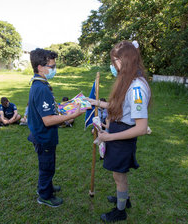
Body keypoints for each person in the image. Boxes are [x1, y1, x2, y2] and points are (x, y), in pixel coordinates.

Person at [88, 40, 151, 222]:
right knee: (119, 174)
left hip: (123, 136)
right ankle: (125, 199)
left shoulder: (137, 88)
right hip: (118, 132)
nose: (112, 65)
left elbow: (140, 128)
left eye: (114, 60)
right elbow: (119, 106)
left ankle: (120, 210)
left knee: (119, 175)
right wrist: (95, 102)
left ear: (124, 61)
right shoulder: (128, 81)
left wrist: (109, 137)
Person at [27, 48, 84, 208]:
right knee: (47, 167)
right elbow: (48, 119)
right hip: (44, 136)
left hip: (42, 135)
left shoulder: (39, 84)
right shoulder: (42, 88)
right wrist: (72, 116)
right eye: (51, 66)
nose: (54, 69)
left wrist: (67, 107)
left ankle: (47, 187)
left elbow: (48, 109)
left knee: (47, 164)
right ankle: (44, 195)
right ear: (40, 67)